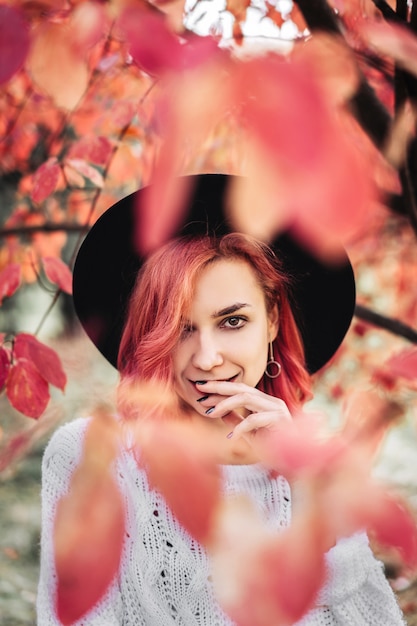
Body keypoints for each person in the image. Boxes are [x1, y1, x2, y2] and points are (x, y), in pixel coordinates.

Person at [37, 174, 405, 625]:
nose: (208, 360)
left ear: (271, 320)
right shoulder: (91, 456)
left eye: (232, 321)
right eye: (181, 329)